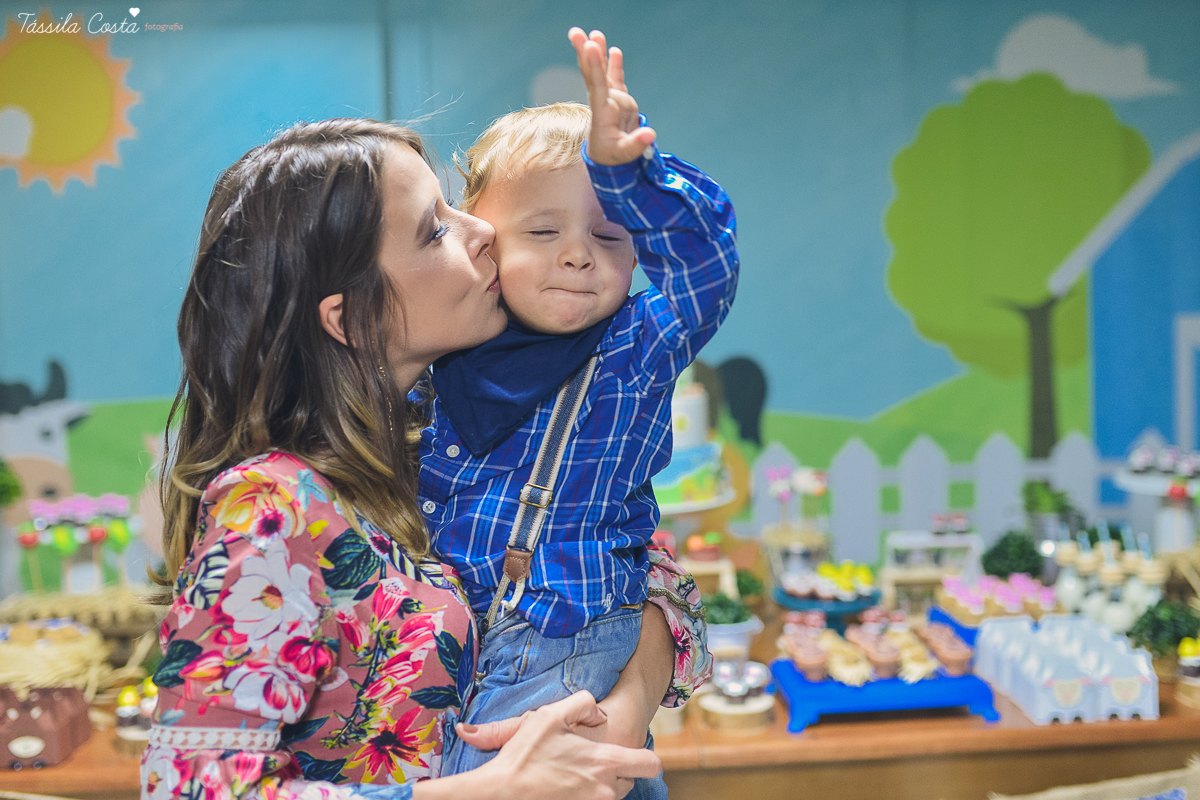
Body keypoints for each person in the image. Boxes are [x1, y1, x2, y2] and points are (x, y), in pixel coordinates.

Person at [142, 60, 709, 800]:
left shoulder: (421, 437)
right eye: (435, 228)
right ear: (350, 316)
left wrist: (619, 720)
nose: (483, 232)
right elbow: (189, 791)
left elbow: (652, 570)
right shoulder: (270, 504)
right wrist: (498, 789)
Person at [426, 29, 736, 793]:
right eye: (542, 230)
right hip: (446, 642)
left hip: (563, 635)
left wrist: (629, 173)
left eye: (608, 232)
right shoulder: (436, 356)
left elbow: (706, 265)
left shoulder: (636, 345)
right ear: (480, 238)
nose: (576, 254)